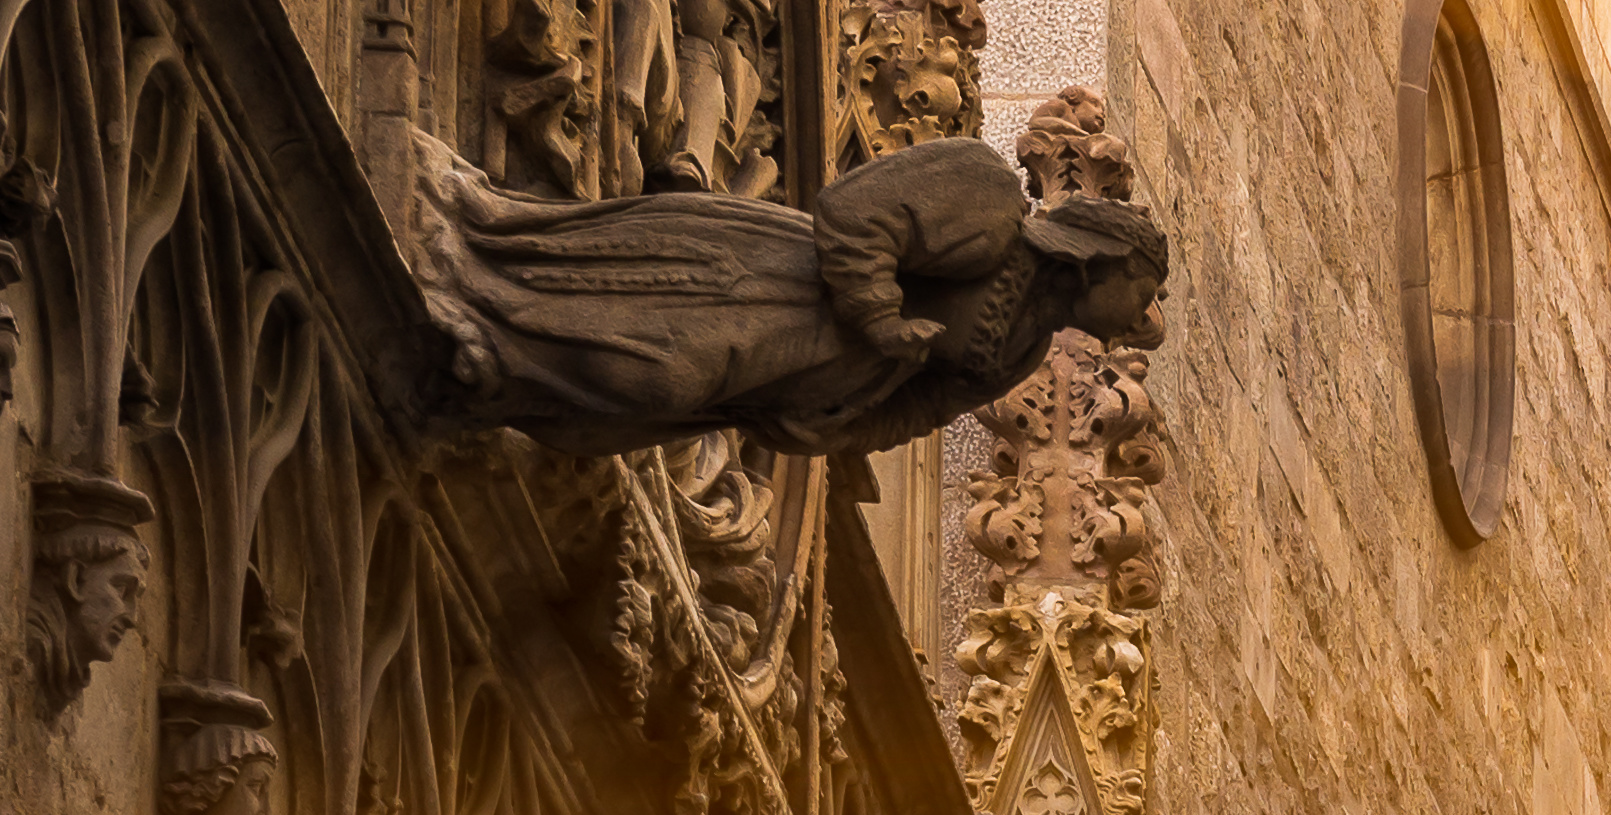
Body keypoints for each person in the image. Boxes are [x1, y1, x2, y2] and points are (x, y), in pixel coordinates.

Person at [410, 130, 1167, 457]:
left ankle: (484, 372)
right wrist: (878, 316)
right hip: (763, 289)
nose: (1145, 324)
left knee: (611, 417)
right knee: (650, 369)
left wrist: (839, 432)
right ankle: (472, 291)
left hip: (808, 380)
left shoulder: (1023, 345)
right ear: (1101, 260)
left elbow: (926, 408)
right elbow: (852, 213)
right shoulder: (990, 198)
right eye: (1143, 292)